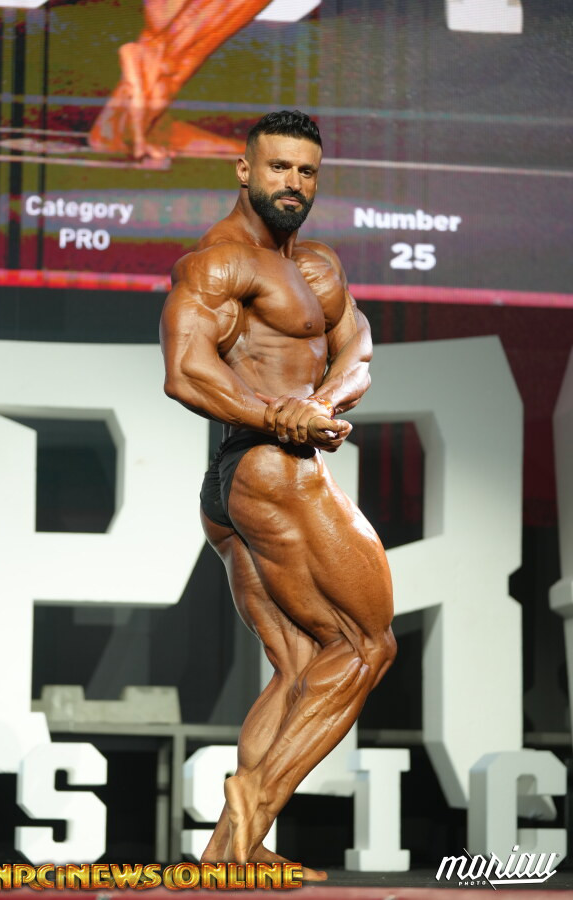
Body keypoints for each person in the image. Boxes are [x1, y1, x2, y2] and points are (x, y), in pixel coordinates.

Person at [159, 109, 396, 877]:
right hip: (268, 467)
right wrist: (278, 416)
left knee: (299, 665)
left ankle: (232, 852)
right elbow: (186, 370)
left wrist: (319, 402)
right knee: (364, 646)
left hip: (240, 484)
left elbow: (358, 350)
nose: (292, 182)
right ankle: (252, 803)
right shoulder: (219, 262)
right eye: (278, 167)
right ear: (244, 170)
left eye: (306, 171)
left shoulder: (319, 266)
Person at [89, 0, 271, 159]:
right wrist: (139, 141)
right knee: (164, 43)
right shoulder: (137, 53)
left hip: (146, 107)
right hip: (132, 118)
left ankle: (145, 129)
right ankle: (134, 131)